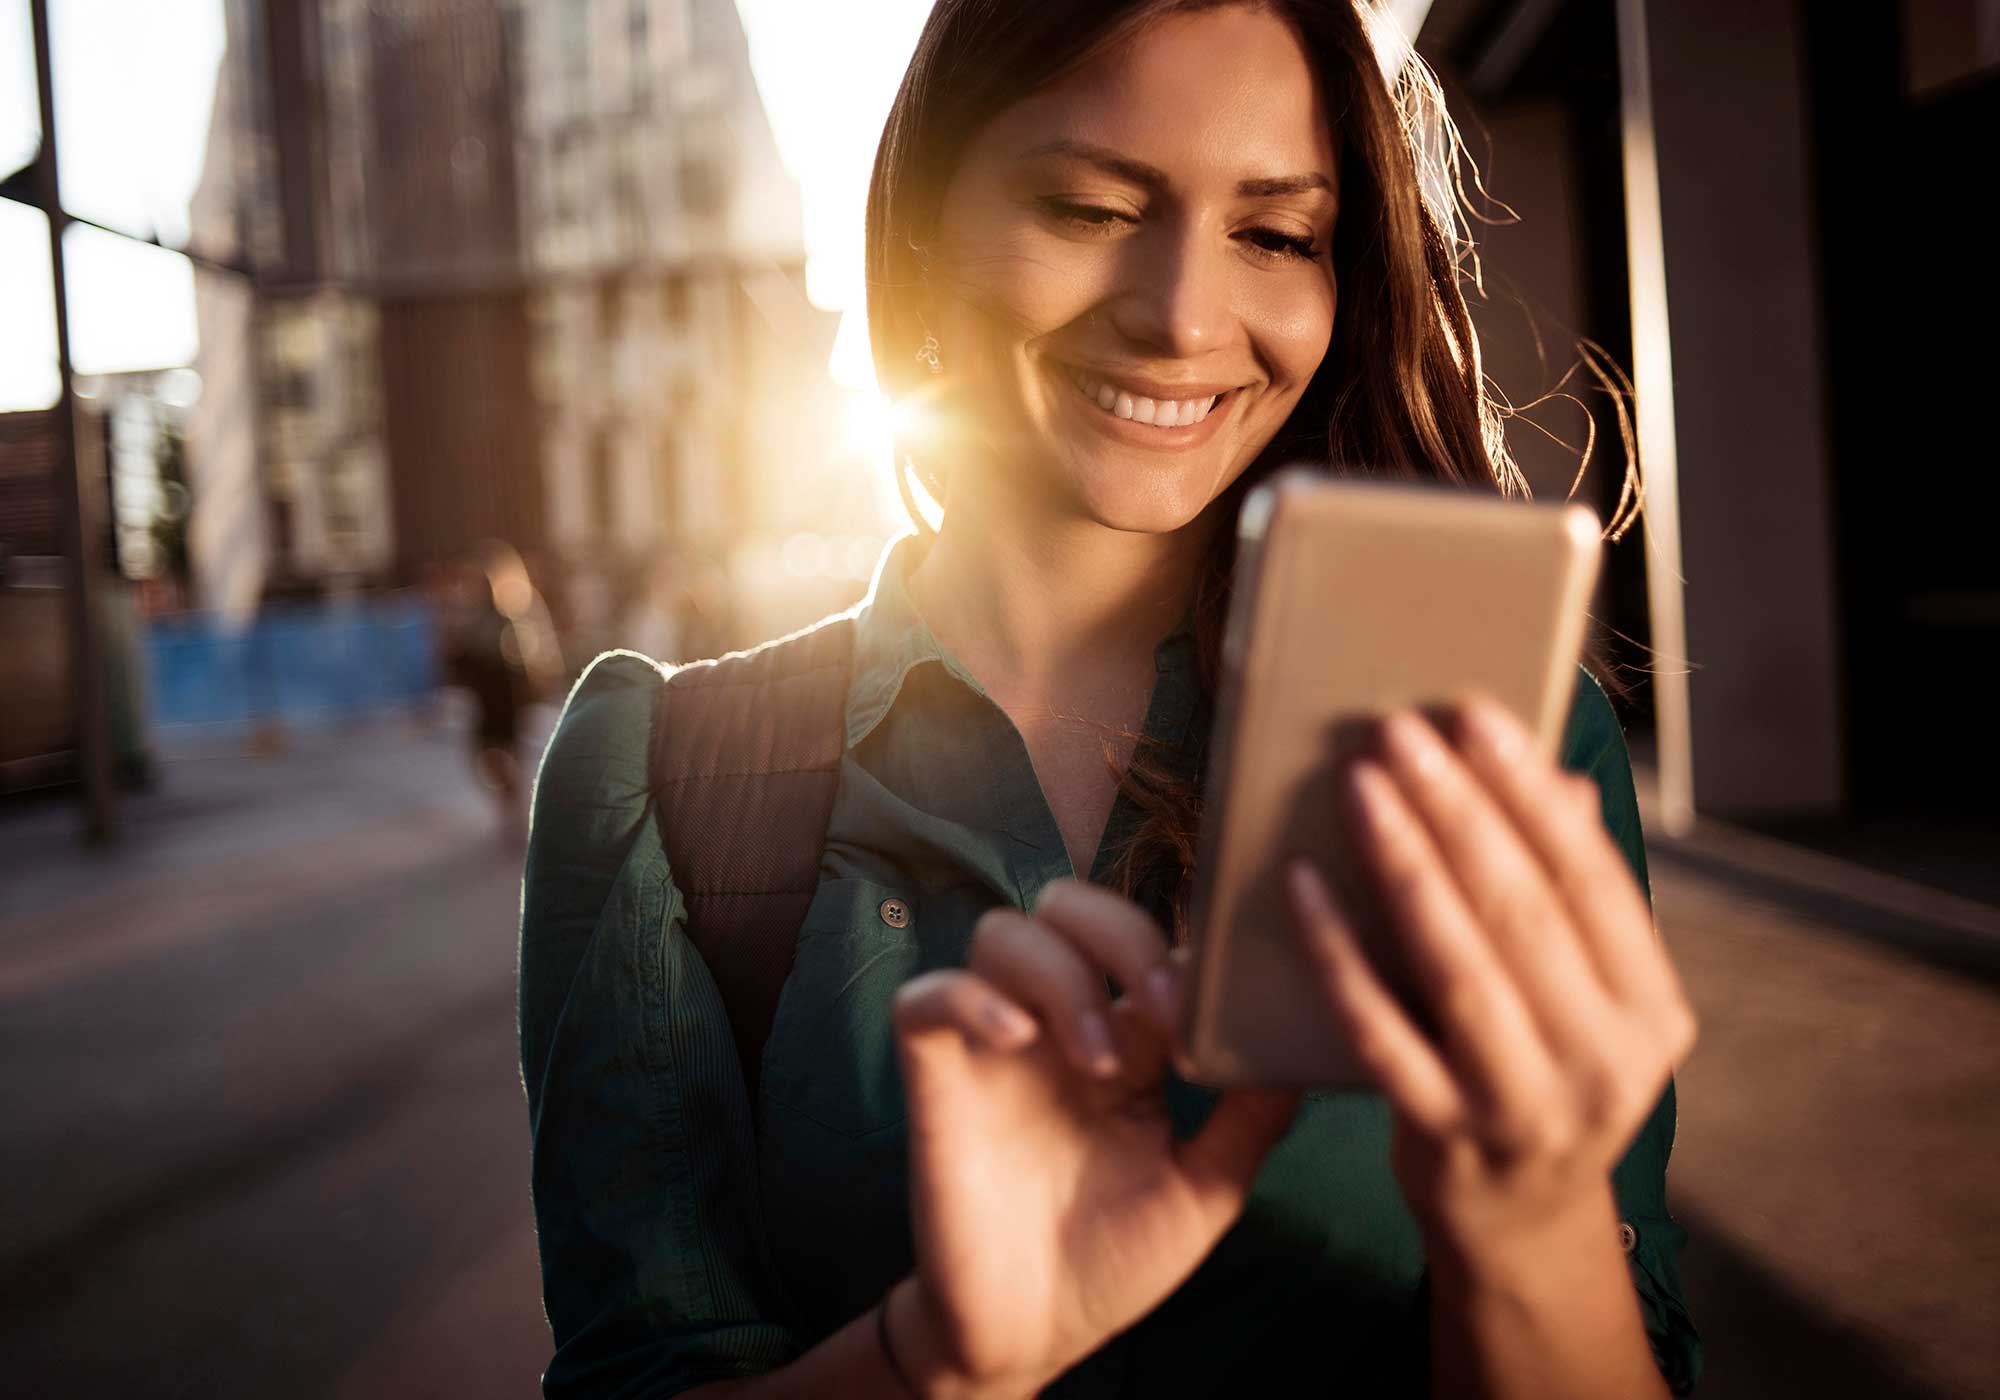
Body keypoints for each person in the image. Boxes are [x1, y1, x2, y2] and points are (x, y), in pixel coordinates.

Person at [519, 2, 1701, 1396]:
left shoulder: (1491, 743)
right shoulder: (668, 775)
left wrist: (1535, 1229)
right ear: (919, 224)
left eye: (1274, 235)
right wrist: (938, 1360)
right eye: (1088, 208)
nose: (1184, 315)